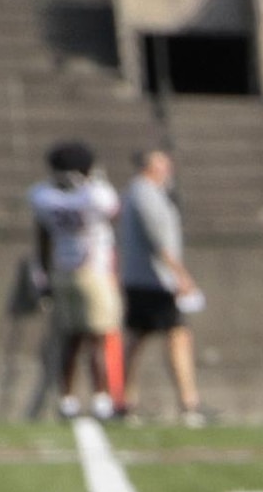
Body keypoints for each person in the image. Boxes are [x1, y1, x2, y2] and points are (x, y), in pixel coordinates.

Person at [31, 139, 123, 419]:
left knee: (71, 339)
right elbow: (113, 210)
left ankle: (67, 400)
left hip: (62, 271)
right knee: (98, 337)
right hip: (93, 271)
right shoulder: (94, 195)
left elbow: (43, 238)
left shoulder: (44, 197)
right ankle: (101, 400)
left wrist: (44, 277)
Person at [115, 142, 203, 424]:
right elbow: (159, 240)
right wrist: (181, 275)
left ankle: (125, 401)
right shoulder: (145, 193)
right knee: (176, 336)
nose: (168, 169)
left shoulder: (144, 192)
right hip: (153, 280)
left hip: (144, 278)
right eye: (162, 163)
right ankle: (188, 404)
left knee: (137, 339)